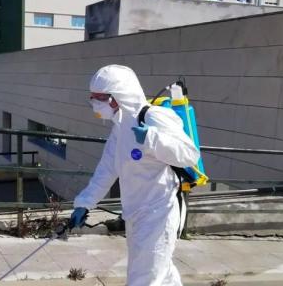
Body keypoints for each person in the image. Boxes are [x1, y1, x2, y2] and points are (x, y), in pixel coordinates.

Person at [69, 65, 200, 286]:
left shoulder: (154, 117)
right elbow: (107, 169)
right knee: (161, 274)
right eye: (92, 97)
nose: (94, 103)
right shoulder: (120, 127)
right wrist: (85, 203)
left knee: (144, 279)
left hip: (159, 212)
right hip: (136, 213)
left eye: (99, 97)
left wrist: (152, 139)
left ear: (118, 97)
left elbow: (189, 155)